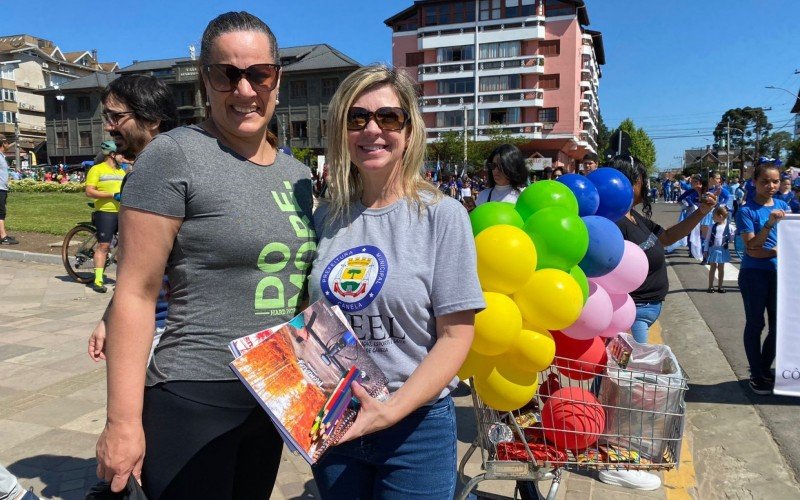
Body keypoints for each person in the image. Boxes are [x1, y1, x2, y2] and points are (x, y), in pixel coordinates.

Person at [95, 12, 316, 499]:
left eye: (259, 74)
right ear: (205, 81)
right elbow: (135, 291)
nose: (244, 90)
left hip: (273, 394)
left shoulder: (296, 175)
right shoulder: (174, 155)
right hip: (195, 392)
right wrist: (122, 422)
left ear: (277, 78)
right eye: (226, 75)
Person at [309, 64, 484, 499]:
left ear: (409, 130)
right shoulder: (326, 217)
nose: (372, 130)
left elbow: (457, 336)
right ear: (342, 131)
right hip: (338, 421)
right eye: (357, 118)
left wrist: (388, 412)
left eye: (388, 117)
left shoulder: (442, 216)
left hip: (415, 431)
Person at [600, 156, 715, 491]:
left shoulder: (632, 216)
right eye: (638, 179)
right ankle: (618, 460)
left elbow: (666, 239)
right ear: (627, 182)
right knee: (631, 389)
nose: (643, 185)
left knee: (629, 385)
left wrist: (700, 213)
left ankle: (618, 451)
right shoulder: (611, 222)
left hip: (645, 310)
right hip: (630, 312)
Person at [86, 73, 178, 362]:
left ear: (152, 119)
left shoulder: (166, 172)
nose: (108, 126)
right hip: (151, 320)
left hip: (166, 329)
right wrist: (109, 316)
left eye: (116, 117)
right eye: (106, 116)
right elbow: (134, 266)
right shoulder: (146, 170)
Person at [736, 161, 789, 395]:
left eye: (775, 181)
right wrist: (769, 225)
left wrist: (771, 251)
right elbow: (751, 247)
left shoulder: (783, 205)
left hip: (781, 274)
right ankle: (756, 374)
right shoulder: (746, 210)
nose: (771, 185)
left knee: (779, 327)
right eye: (765, 181)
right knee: (756, 324)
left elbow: (786, 243)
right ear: (754, 182)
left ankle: (764, 368)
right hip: (754, 274)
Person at [84, 140, 126, 293]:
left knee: (124, 247)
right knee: (104, 246)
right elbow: (89, 191)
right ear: (112, 154)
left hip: (122, 213)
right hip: (105, 212)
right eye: (121, 154)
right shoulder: (97, 169)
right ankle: (98, 280)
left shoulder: (121, 171)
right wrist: (112, 195)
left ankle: (121, 281)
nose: (124, 157)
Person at [704, 205, 732, 293]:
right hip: (713, 249)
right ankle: (710, 286)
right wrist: (705, 250)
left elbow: (731, 239)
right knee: (712, 267)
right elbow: (707, 239)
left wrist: (732, 236)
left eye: (713, 216)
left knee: (721, 268)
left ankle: (720, 286)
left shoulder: (729, 227)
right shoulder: (712, 226)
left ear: (720, 217)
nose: (712, 218)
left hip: (723, 249)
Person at [0, 135, 18, 245]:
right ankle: (3, 236)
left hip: (2, 188)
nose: (8, 145)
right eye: (7, 143)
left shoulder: (2, 156)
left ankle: (3, 235)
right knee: (1, 212)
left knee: (1, 212)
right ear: (3, 144)